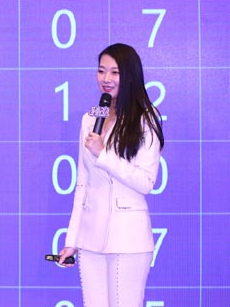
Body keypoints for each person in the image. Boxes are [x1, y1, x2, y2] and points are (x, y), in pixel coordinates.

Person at [58, 43, 164, 306]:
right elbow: (82, 183)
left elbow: (146, 182)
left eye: (115, 72)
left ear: (130, 75)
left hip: (128, 237)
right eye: (101, 70)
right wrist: (72, 240)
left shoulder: (146, 118)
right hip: (90, 238)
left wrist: (103, 154)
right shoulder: (90, 118)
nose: (106, 79)